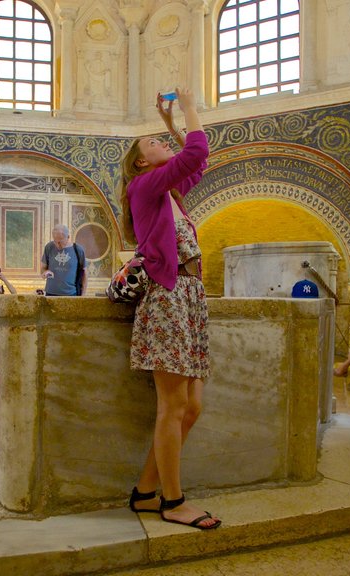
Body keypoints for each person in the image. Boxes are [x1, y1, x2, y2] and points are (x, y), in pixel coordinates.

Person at [119, 88, 219, 530]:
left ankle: (144, 491)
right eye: (155, 145)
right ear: (141, 162)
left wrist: (168, 124)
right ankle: (172, 501)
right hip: (168, 297)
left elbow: (195, 162)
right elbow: (195, 151)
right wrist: (190, 107)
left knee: (191, 407)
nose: (164, 146)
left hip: (188, 297)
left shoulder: (170, 195)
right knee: (173, 407)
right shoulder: (143, 186)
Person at [40, 225, 86, 296]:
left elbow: (84, 274)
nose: (58, 245)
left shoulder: (78, 250)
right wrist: (45, 273)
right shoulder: (49, 247)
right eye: (55, 241)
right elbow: (43, 268)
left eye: (60, 242)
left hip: (71, 294)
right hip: (50, 293)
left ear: (68, 237)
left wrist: (83, 296)